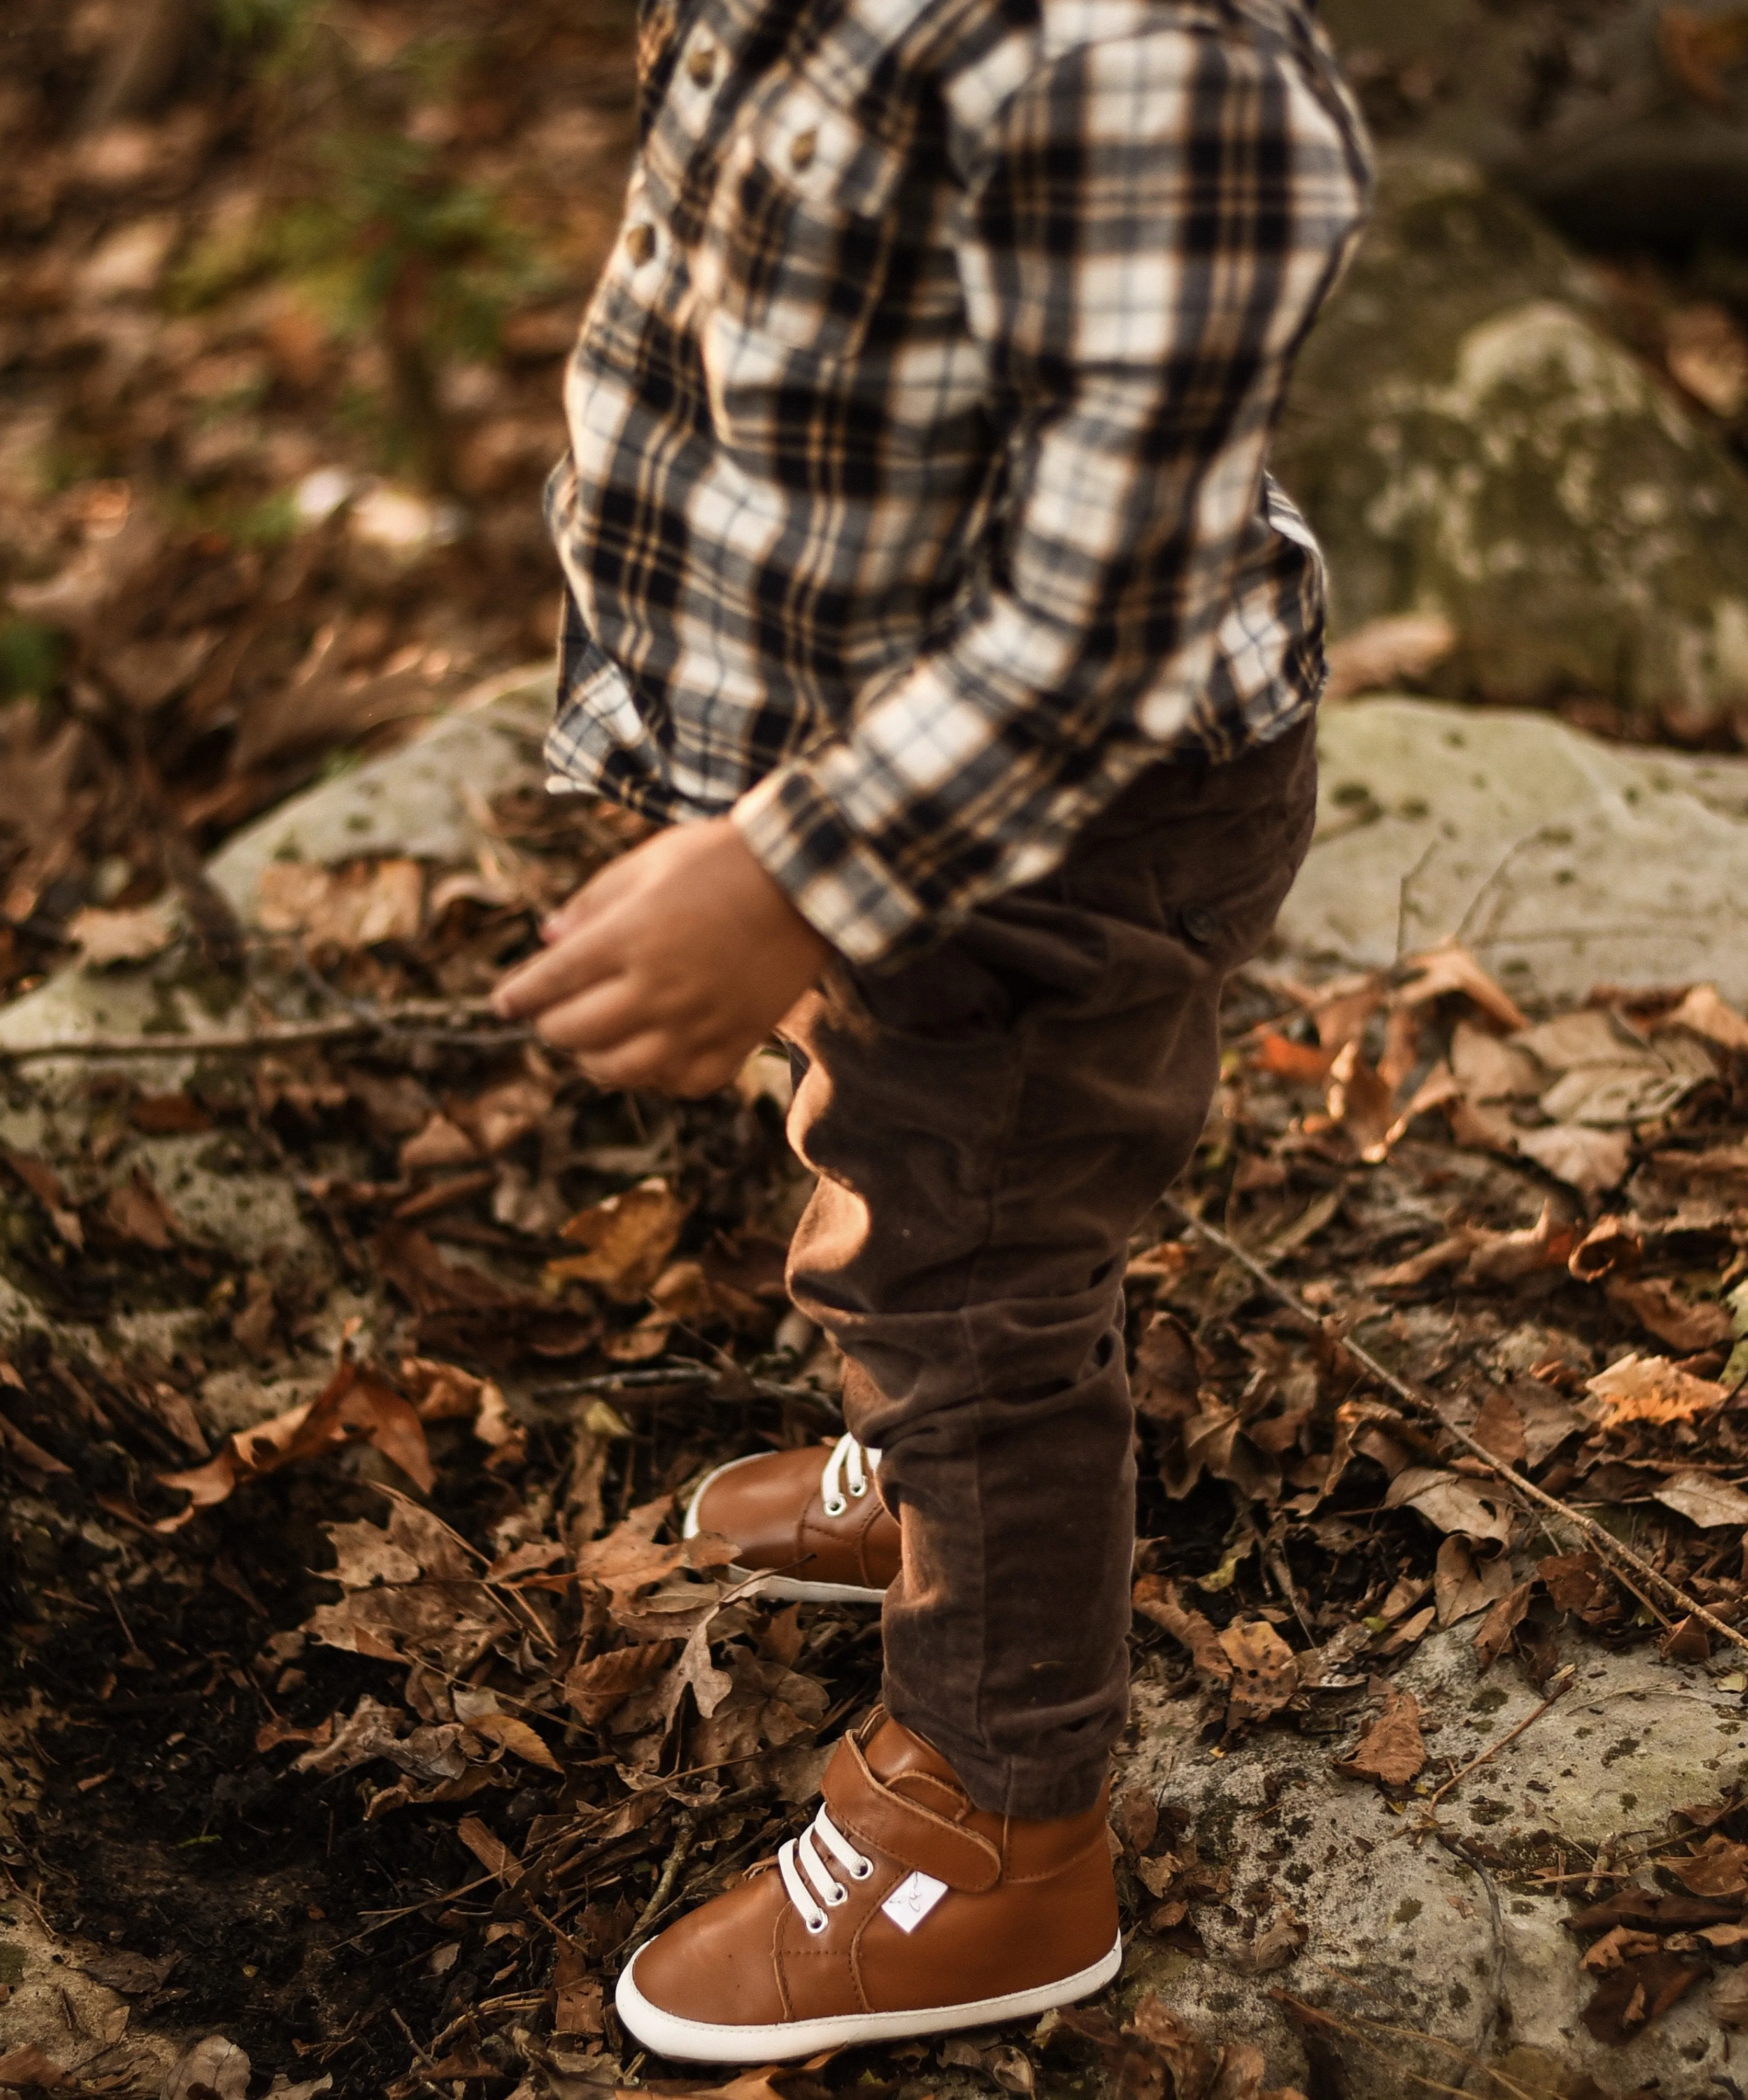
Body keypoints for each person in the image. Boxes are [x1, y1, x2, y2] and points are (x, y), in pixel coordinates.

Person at [492, 0, 1370, 2062]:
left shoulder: (1149, 62)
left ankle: (994, 1822)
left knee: (972, 1266)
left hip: (1062, 817)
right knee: (901, 1158)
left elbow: (1104, 619)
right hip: (878, 787)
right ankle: (926, 1470)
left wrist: (793, 867)